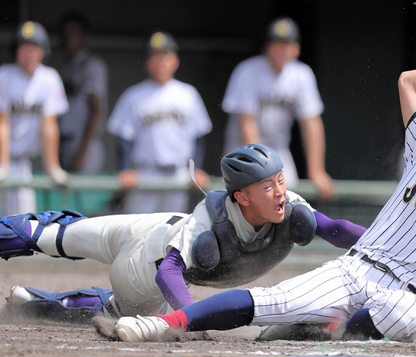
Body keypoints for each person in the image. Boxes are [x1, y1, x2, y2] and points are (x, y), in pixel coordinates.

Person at [110, 62, 416, 345]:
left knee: (406, 315)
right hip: (355, 269)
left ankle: (318, 331)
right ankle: (160, 323)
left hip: (405, 298)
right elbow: (409, 82)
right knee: (265, 303)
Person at [2, 144, 366, 324]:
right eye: (268, 185)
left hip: (157, 236)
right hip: (146, 263)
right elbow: (168, 271)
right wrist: (194, 317)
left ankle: (30, 300)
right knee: (51, 233)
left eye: (280, 180)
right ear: (241, 196)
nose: (281, 191)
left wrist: (384, 241)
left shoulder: (289, 207)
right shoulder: (209, 220)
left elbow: (335, 229)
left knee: (62, 242)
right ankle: (31, 298)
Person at [221, 17, 333, 199]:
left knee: (290, 207)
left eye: (287, 44)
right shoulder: (247, 71)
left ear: (296, 48)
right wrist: (259, 167)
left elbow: (311, 123)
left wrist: (316, 170)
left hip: (278, 152)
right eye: (277, 44)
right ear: (267, 47)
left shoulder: (301, 74)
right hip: (242, 154)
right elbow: (247, 124)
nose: (282, 50)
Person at [107, 30, 212, 214]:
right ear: (146, 62)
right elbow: (124, 139)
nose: (160, 63)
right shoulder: (133, 96)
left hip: (178, 173)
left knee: (172, 229)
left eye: (165, 57)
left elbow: (197, 137)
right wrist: (125, 169)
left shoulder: (188, 94)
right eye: (155, 57)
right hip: (144, 173)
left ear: (175, 61)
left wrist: (197, 168)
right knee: (138, 232)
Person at [0, 21, 69, 216]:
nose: (29, 53)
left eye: (34, 48)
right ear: (16, 50)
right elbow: (1, 123)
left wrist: (53, 168)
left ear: (42, 51)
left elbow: (49, 126)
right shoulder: (4, 75)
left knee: (20, 224)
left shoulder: (49, 78)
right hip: (3, 161)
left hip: (22, 164)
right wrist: (2, 164)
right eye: (24, 47)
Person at [57, 11, 108, 174]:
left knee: (82, 198)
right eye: (66, 32)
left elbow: (96, 110)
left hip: (85, 144)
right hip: (65, 142)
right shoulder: (68, 67)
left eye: (74, 31)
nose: (69, 36)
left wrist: (82, 154)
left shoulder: (92, 65)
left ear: (85, 36)